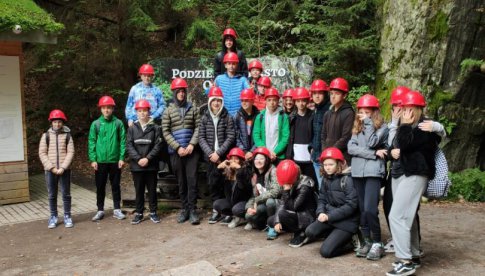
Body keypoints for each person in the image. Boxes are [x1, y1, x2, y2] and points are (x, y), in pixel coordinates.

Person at [384, 86, 446, 254]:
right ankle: (414, 253)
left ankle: (405, 258)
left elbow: (406, 144)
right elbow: (393, 147)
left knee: (398, 217)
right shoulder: (402, 126)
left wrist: (436, 126)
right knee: (405, 217)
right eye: (404, 108)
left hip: (414, 174)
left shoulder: (425, 128)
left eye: (410, 109)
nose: (405, 112)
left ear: (418, 110)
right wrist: (391, 152)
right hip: (398, 174)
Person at [347, 94, 389, 260]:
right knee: (363, 210)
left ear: (375, 112)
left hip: (373, 172)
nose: (363, 114)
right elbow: (351, 149)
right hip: (357, 172)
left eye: (367, 111)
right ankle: (367, 241)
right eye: (361, 111)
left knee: (371, 209)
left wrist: (368, 123)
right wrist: (373, 154)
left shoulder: (383, 128)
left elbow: (372, 141)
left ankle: (378, 243)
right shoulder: (356, 128)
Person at [304, 147, 359, 258]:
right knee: (310, 231)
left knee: (326, 252)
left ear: (338, 164)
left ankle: (351, 240)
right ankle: (334, 236)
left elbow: (352, 205)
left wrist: (329, 216)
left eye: (331, 164)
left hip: (347, 221)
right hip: (330, 217)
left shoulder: (348, 179)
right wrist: (320, 212)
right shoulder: (326, 178)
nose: (327, 168)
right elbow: (322, 199)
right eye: (325, 165)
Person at [162, 78, 201, 225]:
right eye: (179, 91)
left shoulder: (194, 108)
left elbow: (198, 128)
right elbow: (165, 131)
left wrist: (191, 144)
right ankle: (184, 209)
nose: (181, 94)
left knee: (192, 181)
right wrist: (178, 147)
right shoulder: (168, 111)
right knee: (181, 182)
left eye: (183, 91)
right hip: (176, 153)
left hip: (192, 153)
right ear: (174, 93)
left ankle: (193, 210)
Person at [199, 87, 236, 223]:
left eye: (218, 100)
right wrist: (211, 154)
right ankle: (216, 211)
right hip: (211, 159)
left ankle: (227, 212)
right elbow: (201, 137)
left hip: (224, 158)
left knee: (226, 185)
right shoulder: (204, 117)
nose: (216, 103)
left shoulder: (228, 117)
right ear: (209, 102)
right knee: (213, 184)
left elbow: (231, 136)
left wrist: (219, 153)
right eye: (213, 100)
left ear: (222, 102)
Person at [88, 96, 126, 221]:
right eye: (104, 108)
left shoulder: (118, 123)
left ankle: (117, 209)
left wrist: (121, 157)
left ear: (112, 109)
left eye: (109, 107)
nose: (106, 110)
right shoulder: (96, 124)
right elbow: (92, 142)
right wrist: (93, 159)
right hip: (100, 161)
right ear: (101, 109)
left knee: (115, 185)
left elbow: (122, 142)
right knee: (100, 186)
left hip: (115, 160)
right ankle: (100, 210)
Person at [126, 100, 162, 225]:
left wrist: (148, 158)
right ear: (136, 112)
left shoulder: (155, 128)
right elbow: (129, 146)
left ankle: (153, 212)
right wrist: (138, 159)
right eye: (140, 111)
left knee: (152, 190)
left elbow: (158, 145)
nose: (142, 113)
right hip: (137, 166)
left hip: (151, 166)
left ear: (148, 112)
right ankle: (139, 213)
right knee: (139, 190)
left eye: (144, 111)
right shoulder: (132, 129)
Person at [266, 160, 316, 247]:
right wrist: (277, 221)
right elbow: (282, 203)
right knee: (271, 220)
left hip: (307, 216)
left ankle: (302, 232)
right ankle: (296, 230)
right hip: (296, 214)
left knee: (282, 215)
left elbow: (293, 207)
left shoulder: (305, 185)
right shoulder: (288, 182)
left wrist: (286, 191)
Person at [39, 109, 75, 229]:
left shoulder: (68, 136)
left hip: (65, 170)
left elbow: (71, 152)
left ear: (62, 122)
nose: (57, 124)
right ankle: (53, 216)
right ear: (51, 123)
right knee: (51, 195)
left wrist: (63, 167)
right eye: (55, 122)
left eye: (59, 122)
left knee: (66, 194)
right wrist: (52, 168)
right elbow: (42, 153)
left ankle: (67, 216)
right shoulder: (46, 136)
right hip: (50, 171)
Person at [213, 147, 253, 228]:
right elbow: (214, 185)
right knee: (217, 204)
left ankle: (248, 219)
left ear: (241, 161)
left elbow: (245, 188)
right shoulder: (227, 172)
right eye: (231, 159)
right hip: (232, 201)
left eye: (236, 159)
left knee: (236, 209)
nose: (233, 161)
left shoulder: (246, 170)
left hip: (245, 201)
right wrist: (218, 169)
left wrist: (239, 169)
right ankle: (236, 217)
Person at [244, 147, 282, 230]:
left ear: (267, 160)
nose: (258, 161)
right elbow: (253, 196)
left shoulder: (273, 170)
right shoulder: (254, 175)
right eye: (256, 159)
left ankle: (272, 225)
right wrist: (249, 207)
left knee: (270, 202)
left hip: (276, 202)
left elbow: (275, 191)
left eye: (262, 158)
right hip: (262, 203)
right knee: (248, 216)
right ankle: (265, 223)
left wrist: (257, 199)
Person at [286, 87, 318, 185]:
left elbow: (316, 133)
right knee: (296, 182)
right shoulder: (291, 118)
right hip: (296, 155)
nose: (301, 103)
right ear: (295, 102)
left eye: (303, 101)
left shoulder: (313, 116)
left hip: (309, 156)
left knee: (311, 182)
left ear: (307, 101)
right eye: (298, 101)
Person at [320, 77, 355, 164]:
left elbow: (346, 137)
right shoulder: (327, 114)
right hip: (328, 157)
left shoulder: (349, 113)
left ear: (344, 95)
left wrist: (331, 153)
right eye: (331, 93)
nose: (333, 96)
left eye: (337, 93)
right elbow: (323, 135)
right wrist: (325, 152)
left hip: (342, 158)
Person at [252, 87, 290, 163]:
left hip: (279, 156)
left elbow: (285, 137)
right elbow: (256, 135)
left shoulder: (283, 117)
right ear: (265, 101)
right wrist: (265, 150)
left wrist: (275, 152)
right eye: (269, 100)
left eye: (274, 100)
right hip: (263, 155)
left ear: (278, 101)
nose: (272, 103)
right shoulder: (260, 116)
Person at [308, 79, 331, 189]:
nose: (317, 96)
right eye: (314, 93)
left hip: (326, 157)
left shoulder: (330, 109)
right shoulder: (316, 110)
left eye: (320, 93)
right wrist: (311, 147)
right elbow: (315, 132)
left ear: (325, 94)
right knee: (321, 188)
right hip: (316, 155)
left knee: (327, 188)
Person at [214, 52, 250, 116]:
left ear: (236, 65)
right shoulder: (219, 79)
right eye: (229, 63)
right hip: (223, 115)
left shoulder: (242, 80)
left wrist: (250, 90)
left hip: (239, 115)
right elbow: (212, 95)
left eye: (234, 64)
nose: (231, 66)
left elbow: (249, 94)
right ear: (225, 65)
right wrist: (209, 90)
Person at [234, 88, 260, 160]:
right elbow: (236, 137)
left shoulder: (259, 116)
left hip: (256, 152)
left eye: (246, 100)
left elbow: (260, 135)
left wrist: (252, 151)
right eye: (242, 100)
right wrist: (244, 151)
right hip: (242, 152)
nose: (244, 103)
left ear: (252, 101)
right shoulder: (237, 116)